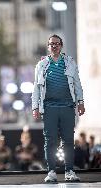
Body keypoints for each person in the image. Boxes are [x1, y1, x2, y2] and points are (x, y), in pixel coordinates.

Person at [32, 34, 85, 183]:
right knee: (50, 141)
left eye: (57, 43)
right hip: (49, 108)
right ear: (48, 47)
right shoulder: (41, 65)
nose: (54, 46)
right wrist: (35, 107)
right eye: (51, 44)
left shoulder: (70, 63)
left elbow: (77, 84)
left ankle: (69, 171)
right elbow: (36, 87)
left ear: (61, 46)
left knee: (68, 140)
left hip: (68, 106)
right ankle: (51, 172)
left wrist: (80, 102)